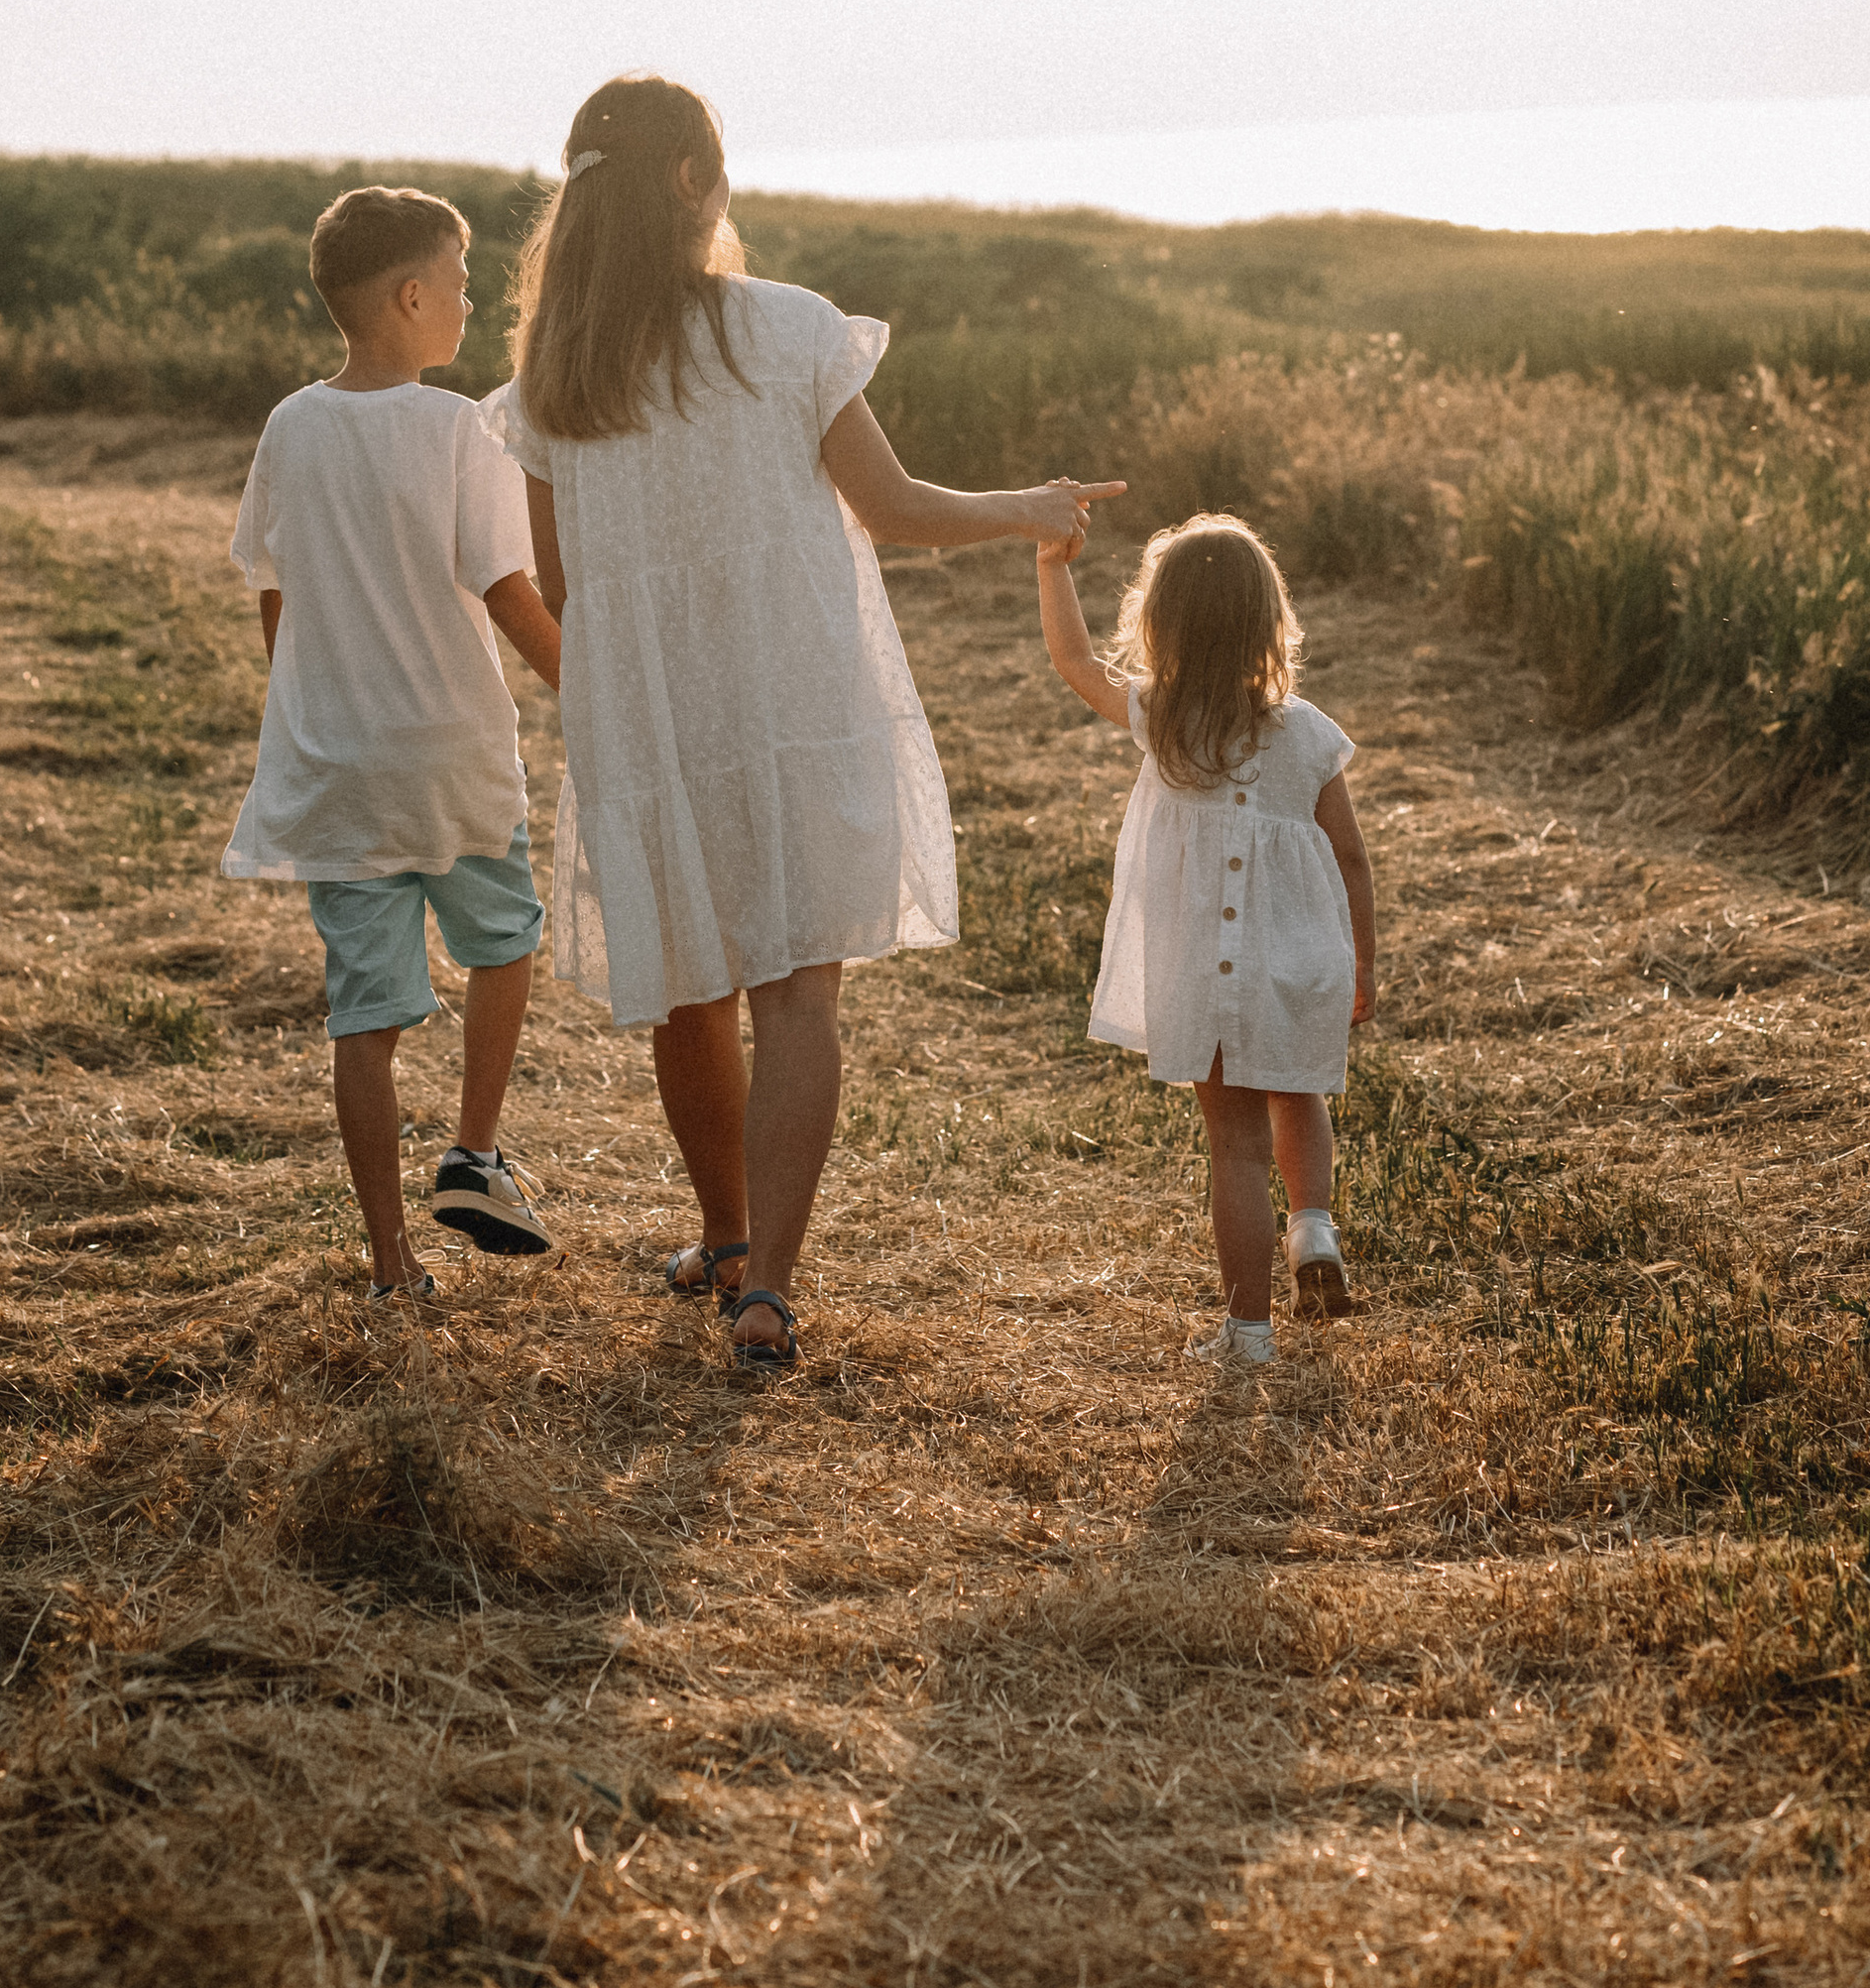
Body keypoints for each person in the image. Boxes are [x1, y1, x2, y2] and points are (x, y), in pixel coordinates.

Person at [495, 73, 1117, 1372]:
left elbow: (560, 586)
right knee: (797, 998)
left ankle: (725, 1238)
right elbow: (891, 508)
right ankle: (766, 1285)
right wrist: (1032, 504)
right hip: (789, 695)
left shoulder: (555, 371)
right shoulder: (787, 329)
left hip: (652, 718)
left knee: (689, 992)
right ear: (692, 185)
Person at [220, 185, 565, 1302]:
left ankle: (390, 1262)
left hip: (339, 770)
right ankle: (473, 1150)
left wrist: (311, 705)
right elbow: (508, 594)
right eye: (461, 285)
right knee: (504, 941)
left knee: (364, 1018)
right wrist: (591, 692)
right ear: (411, 296)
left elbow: (273, 593)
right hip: (452, 757)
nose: (469, 303)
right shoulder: (460, 429)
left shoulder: (290, 425)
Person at [1036, 508, 1378, 1366]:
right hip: (1299, 958)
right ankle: (1314, 1229)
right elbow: (1352, 858)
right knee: (1296, 1089)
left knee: (1235, 1143)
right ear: (1271, 620)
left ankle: (1249, 1333)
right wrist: (1362, 963)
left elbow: (1074, 661)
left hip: (1203, 967)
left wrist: (1052, 565)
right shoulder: (1308, 734)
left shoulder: (1165, 720)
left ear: (1160, 623)